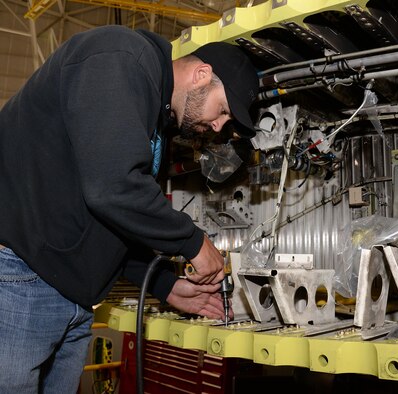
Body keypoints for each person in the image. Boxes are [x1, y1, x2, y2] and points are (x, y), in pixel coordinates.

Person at [0, 25, 259, 392]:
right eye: (224, 112)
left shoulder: (155, 117)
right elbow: (112, 188)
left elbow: (110, 218)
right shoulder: (119, 57)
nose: (217, 126)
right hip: (20, 284)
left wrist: (164, 284)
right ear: (203, 75)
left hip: (69, 298)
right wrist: (192, 241)